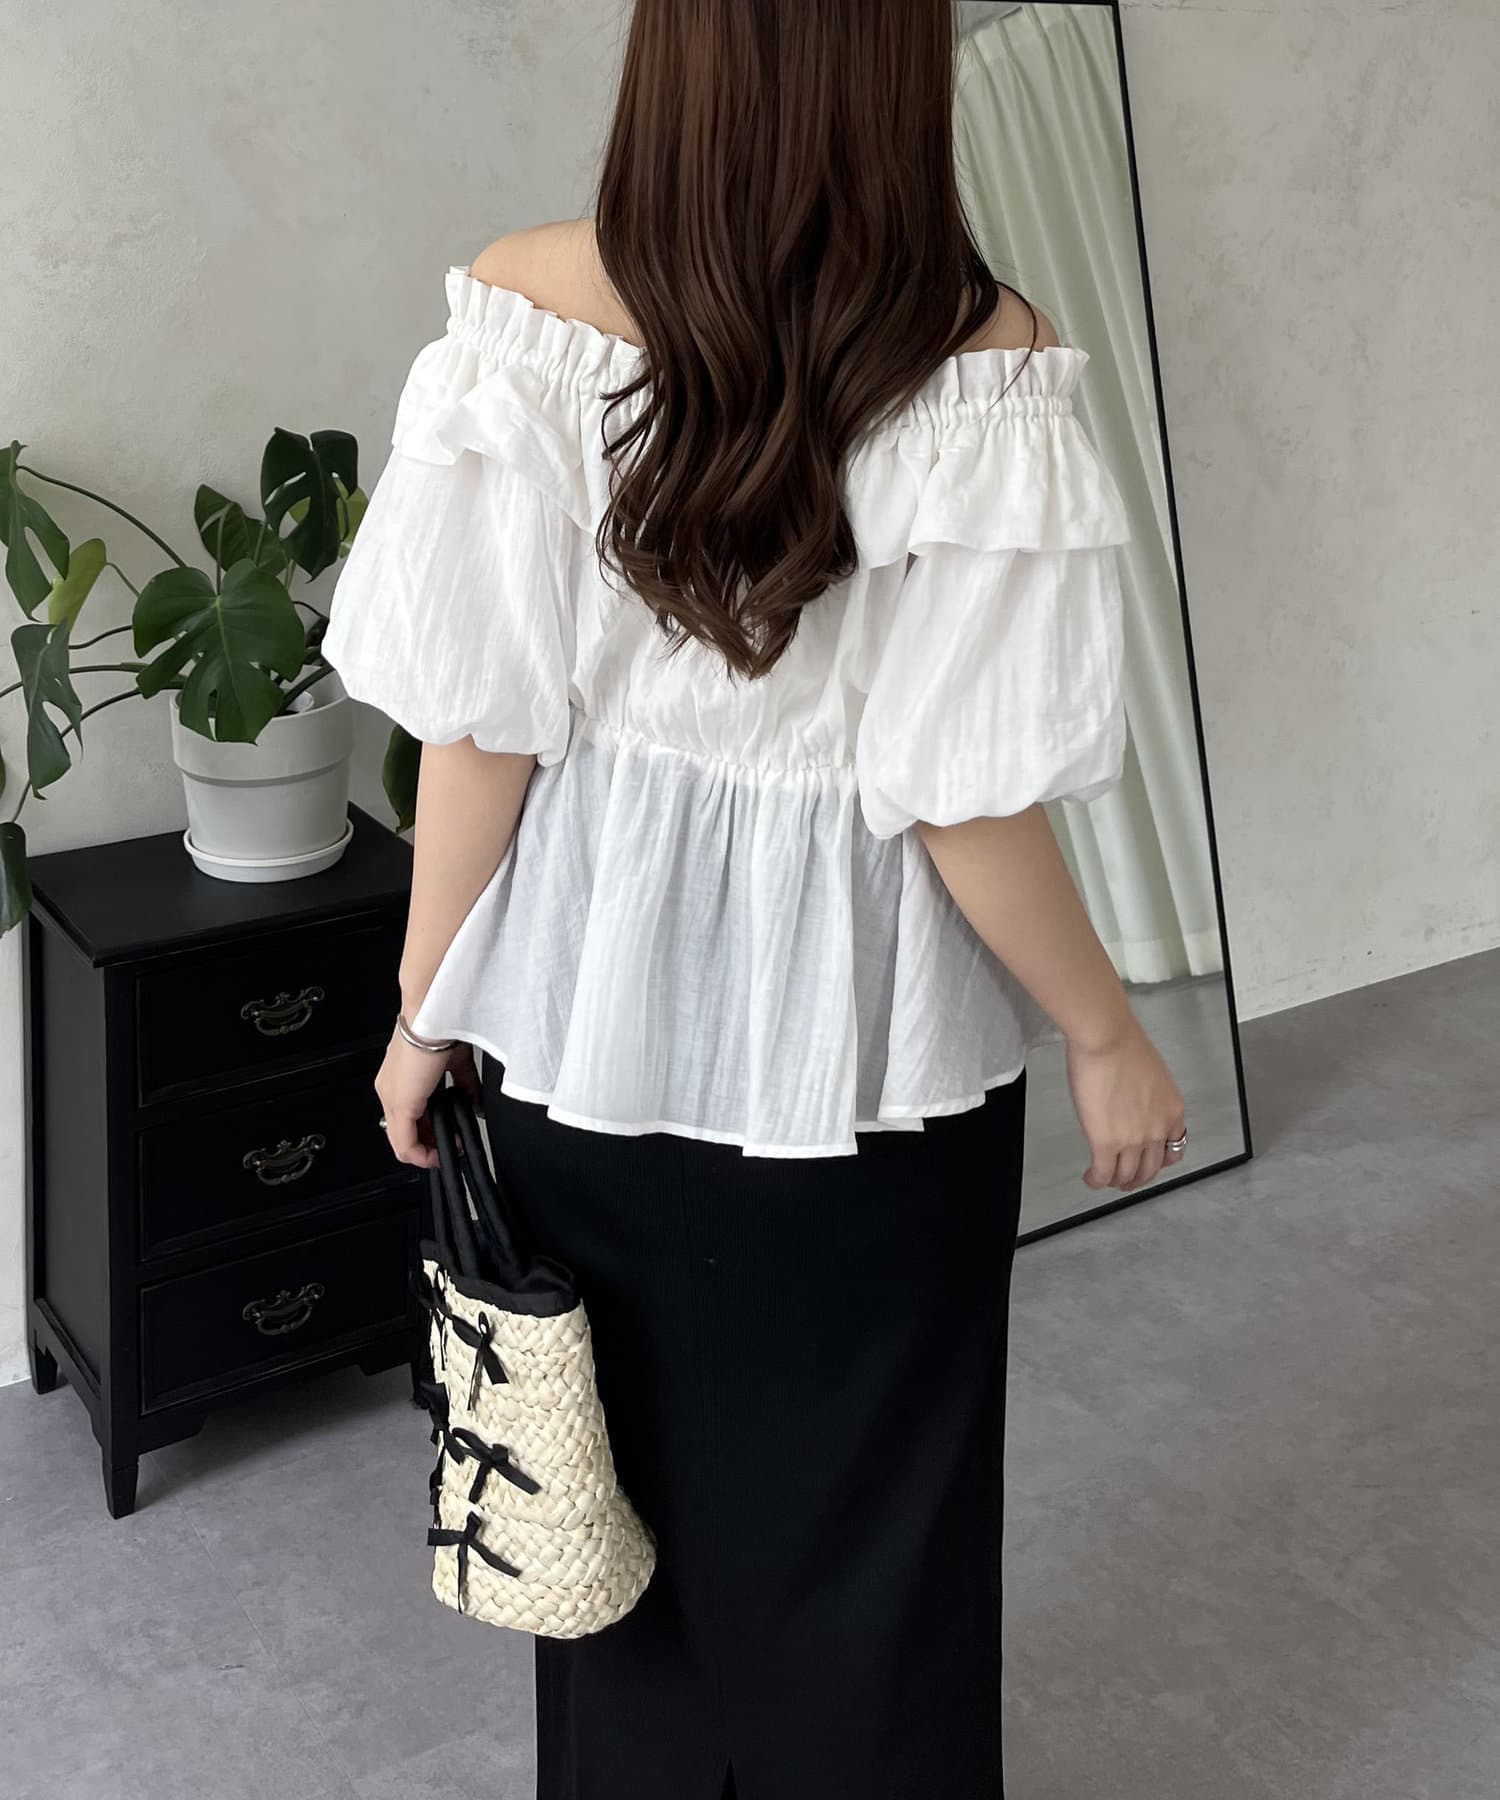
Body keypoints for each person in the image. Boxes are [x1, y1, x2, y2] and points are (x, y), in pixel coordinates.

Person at [321, 3, 1185, 1793]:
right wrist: (1106, 1033)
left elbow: (480, 734)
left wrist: (422, 1013)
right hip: (873, 1066)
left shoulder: (527, 309)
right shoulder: (982, 360)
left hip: (582, 1033)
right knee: (882, 1545)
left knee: (604, 1524)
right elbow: (964, 802)